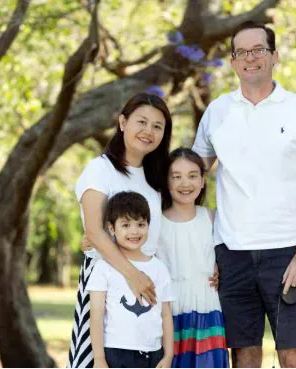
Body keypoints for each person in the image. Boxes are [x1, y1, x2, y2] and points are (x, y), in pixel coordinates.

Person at [192, 21, 296, 367]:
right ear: (233, 61)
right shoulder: (217, 113)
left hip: (288, 252)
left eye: (259, 50)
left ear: (274, 56)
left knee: (293, 356)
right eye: (242, 52)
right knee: (243, 355)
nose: (250, 58)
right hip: (233, 255)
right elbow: (189, 181)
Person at [68, 92, 173, 368]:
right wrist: (132, 275)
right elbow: (95, 232)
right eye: (141, 121)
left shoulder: (156, 178)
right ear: (123, 122)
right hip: (108, 280)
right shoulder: (99, 170)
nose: (148, 131)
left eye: (157, 126)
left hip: (147, 281)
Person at [157, 148, 229, 368]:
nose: (185, 183)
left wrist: (220, 268)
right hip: (170, 309)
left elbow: (228, 255)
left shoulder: (212, 217)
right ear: (166, 181)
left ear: (202, 180)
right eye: (176, 176)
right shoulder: (156, 222)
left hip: (206, 306)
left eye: (192, 175)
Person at [88, 191, 175, 368]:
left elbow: (166, 315)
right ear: (112, 228)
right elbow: (96, 315)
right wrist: (99, 358)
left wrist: (168, 356)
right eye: (126, 225)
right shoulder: (103, 268)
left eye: (141, 224)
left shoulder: (159, 268)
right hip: (116, 352)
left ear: (148, 226)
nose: (134, 231)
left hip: (153, 353)